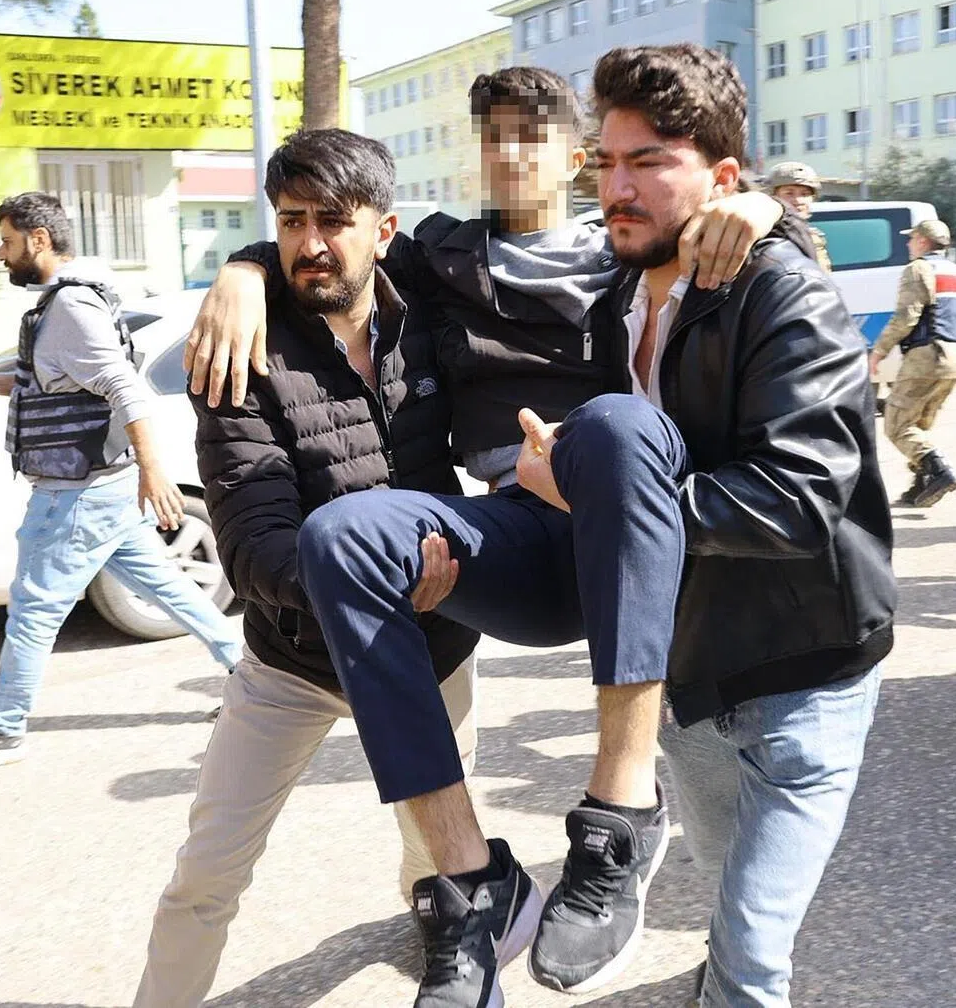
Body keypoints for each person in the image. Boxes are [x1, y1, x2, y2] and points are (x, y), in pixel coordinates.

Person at [188, 65, 803, 1007]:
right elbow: (331, 242)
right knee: (342, 536)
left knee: (615, 426)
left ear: (577, 155)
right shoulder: (438, 258)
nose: (512, 154)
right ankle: (473, 882)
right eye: (495, 136)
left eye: (534, 134)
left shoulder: (625, 245)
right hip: (519, 529)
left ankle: (621, 811)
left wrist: (763, 207)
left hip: (644, 524)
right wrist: (242, 268)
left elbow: (735, 230)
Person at [509, 44, 894, 1008]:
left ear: (722, 178)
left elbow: (800, 494)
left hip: (806, 674)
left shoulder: (778, 289)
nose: (618, 186)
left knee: (754, 956)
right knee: (727, 902)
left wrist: (600, 503)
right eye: (607, 161)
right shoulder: (610, 298)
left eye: (650, 161)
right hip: (684, 674)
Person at [132, 129, 479, 1008]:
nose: (311, 242)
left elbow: (551, 240)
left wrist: (754, 216)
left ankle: (437, 936)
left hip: (434, 651)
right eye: (289, 222)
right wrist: (246, 272)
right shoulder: (240, 355)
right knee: (206, 876)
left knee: (431, 851)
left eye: (335, 219)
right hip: (294, 662)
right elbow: (249, 548)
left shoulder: (430, 317)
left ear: (385, 230)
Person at [0, 192, 241, 771]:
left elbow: (124, 387)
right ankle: (249, 672)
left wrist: (155, 473)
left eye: (7, 242)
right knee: (172, 589)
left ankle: (4, 728)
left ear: (38, 239)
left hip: (77, 492)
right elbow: (51, 380)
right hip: (101, 488)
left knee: (33, 607)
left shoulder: (71, 307)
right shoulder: (68, 304)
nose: (2, 256)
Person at [869, 218, 956, 507]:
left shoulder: (917, 269)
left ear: (922, 241)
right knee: (919, 424)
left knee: (896, 425)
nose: (908, 244)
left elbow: (906, 316)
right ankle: (919, 485)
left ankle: (939, 470)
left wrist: (878, 351)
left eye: (911, 238)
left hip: (927, 356)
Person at [765, 160, 832, 272]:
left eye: (805, 194)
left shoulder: (813, 236)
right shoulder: (767, 236)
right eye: (789, 193)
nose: (798, 200)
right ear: (773, 196)